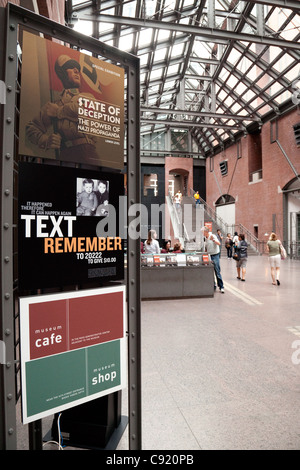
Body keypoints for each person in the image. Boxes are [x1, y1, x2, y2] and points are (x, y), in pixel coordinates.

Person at [26, 54, 98, 163]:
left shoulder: (87, 97)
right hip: (66, 155)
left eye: (77, 69)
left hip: (89, 154)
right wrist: (46, 140)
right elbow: (31, 128)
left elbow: (82, 110)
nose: (76, 70)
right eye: (70, 67)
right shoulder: (54, 104)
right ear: (62, 73)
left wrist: (59, 111)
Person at [201, 226, 224, 293]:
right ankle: (213, 285)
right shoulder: (205, 238)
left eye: (203, 232)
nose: (202, 233)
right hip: (209, 256)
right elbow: (206, 247)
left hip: (215, 255)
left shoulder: (212, 236)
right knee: (210, 272)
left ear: (206, 232)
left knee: (217, 271)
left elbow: (219, 243)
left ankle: (221, 287)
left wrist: (213, 240)